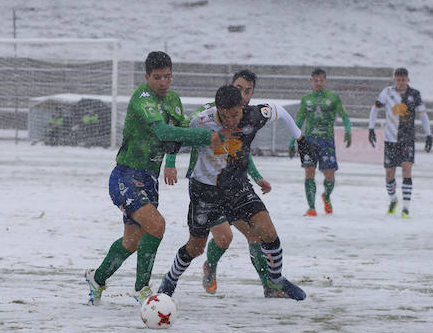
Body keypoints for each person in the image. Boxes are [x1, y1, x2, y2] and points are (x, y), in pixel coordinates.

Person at [84, 51, 234, 306]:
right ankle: (142, 289)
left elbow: (182, 130)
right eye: (157, 77)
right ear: (147, 77)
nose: (163, 82)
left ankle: (97, 278)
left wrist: (211, 114)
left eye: (167, 77)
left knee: (131, 242)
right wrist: (204, 137)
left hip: (149, 179)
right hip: (126, 176)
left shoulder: (173, 99)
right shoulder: (143, 98)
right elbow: (164, 131)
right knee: (157, 225)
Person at [156, 85, 316, 301]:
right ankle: (171, 278)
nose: (230, 120)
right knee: (195, 247)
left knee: (267, 231)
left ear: (242, 106)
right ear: (218, 109)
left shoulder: (255, 115)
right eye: (225, 116)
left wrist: (301, 139)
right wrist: (170, 157)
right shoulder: (201, 121)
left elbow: (280, 110)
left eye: (235, 115)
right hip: (205, 191)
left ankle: (275, 279)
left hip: (237, 187)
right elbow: (179, 139)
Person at [179, 70, 288, 299]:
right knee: (223, 238)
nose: (244, 95)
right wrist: (170, 164)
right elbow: (182, 135)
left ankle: (269, 286)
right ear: (230, 87)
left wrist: (257, 178)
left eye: (248, 91)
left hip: (233, 187)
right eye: (239, 89)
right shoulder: (209, 113)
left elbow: (238, 155)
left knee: (255, 235)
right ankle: (209, 265)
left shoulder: (246, 116)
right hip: (206, 188)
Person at [368, 67, 433, 219]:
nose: (401, 83)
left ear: (408, 80)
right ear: (394, 80)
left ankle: (406, 208)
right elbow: (375, 109)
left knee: (406, 170)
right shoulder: (387, 92)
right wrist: (371, 128)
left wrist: (429, 134)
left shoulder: (414, 94)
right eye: (398, 80)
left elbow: (423, 115)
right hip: (390, 139)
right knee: (389, 173)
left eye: (403, 80)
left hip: (407, 139)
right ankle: (393, 200)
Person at [289, 68, 352, 215]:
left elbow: (345, 116)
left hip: (327, 141)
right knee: (309, 172)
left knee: (329, 174)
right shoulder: (306, 100)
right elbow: (298, 121)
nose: (318, 83)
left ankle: (326, 195)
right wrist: (292, 140)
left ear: (325, 81)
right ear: (311, 81)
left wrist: (348, 130)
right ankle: (311, 208)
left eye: (321, 80)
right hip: (309, 140)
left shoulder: (333, 97)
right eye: (315, 80)